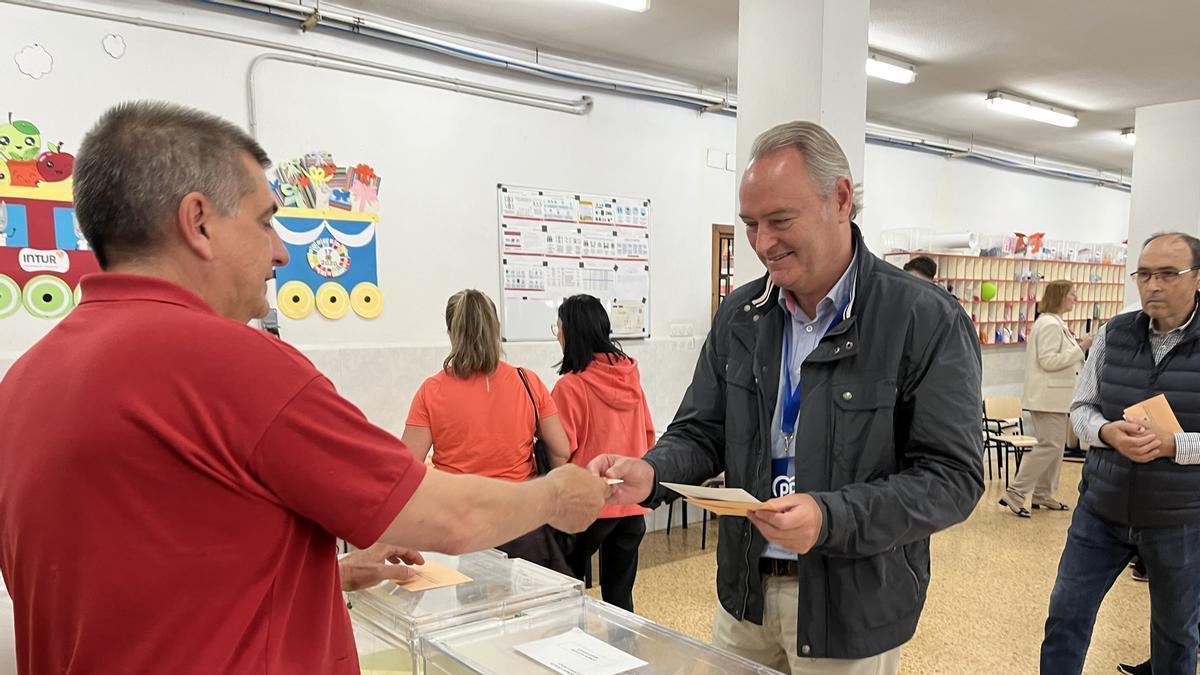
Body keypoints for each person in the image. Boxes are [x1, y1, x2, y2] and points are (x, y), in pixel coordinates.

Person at [0, 101, 608, 674]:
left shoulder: (24, 381)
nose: (282, 252)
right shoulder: (235, 363)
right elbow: (449, 517)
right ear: (198, 222)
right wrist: (556, 496)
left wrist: (328, 573)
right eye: (266, 221)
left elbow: (153, 579)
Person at [591, 120, 984, 674]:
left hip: (850, 606)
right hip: (746, 596)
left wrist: (831, 516)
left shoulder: (922, 319)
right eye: (751, 224)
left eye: (780, 221)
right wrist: (651, 472)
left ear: (840, 199)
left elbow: (952, 479)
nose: (762, 243)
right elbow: (703, 429)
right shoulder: (742, 314)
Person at [1042, 232, 1200, 675]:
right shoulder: (1115, 333)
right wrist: (1108, 432)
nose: (1153, 285)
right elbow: (1082, 408)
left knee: (1176, 636)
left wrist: (1174, 444)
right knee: (1066, 616)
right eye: (1145, 274)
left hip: (1180, 518)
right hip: (1101, 509)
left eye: (1169, 274)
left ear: (1198, 279)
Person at [401, 289, 574, 573]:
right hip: (520, 519)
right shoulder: (526, 381)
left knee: (473, 609)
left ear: (451, 333)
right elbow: (561, 449)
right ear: (496, 329)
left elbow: (405, 468)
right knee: (528, 607)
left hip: (460, 523)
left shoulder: (431, 391)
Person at [550, 294, 655, 612]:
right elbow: (649, 435)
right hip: (631, 504)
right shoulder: (630, 377)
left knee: (568, 594)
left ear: (571, 332)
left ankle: (575, 657)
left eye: (558, 328)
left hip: (587, 506)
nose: (557, 335)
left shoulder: (570, 387)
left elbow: (560, 451)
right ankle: (624, 658)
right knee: (620, 599)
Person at [999, 280, 1091, 517]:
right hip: (1047, 397)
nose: (1076, 298)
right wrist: (1081, 348)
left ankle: (1043, 493)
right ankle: (1016, 492)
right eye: (1072, 294)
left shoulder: (1055, 323)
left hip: (1056, 398)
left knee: (1056, 447)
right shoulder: (1049, 324)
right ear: (1061, 296)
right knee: (1048, 446)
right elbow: (1049, 361)